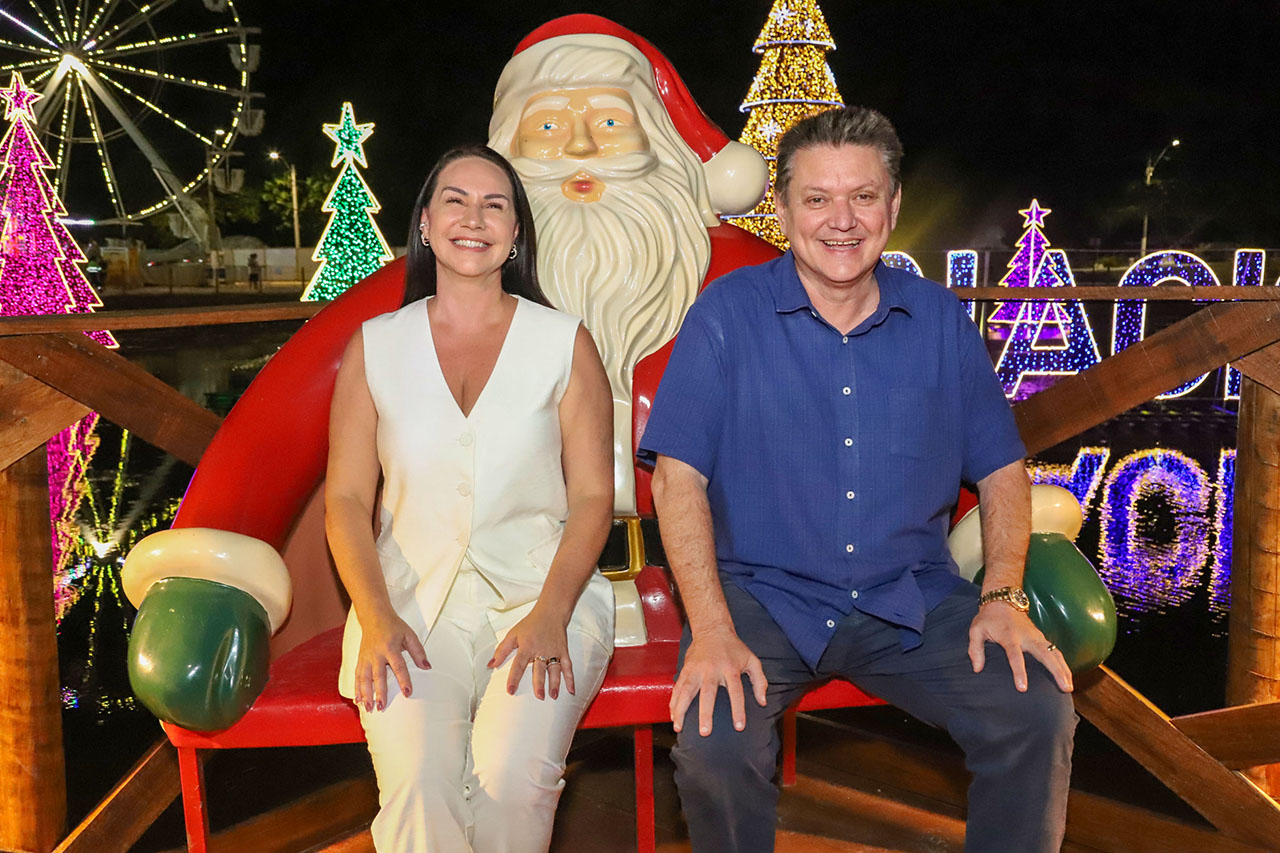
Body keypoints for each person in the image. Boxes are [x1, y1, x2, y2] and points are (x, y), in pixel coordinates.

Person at [637, 107, 1078, 852]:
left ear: (892, 206)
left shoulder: (940, 320)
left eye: (863, 196)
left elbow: (1003, 468)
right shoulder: (726, 314)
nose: (841, 220)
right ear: (783, 211)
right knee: (715, 747)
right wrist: (709, 628)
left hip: (910, 598)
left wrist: (1002, 595)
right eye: (817, 199)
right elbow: (675, 479)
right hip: (763, 600)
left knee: (1034, 707)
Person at [325, 144, 616, 852]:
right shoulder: (375, 346)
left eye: (495, 205)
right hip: (406, 603)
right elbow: (347, 498)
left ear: (515, 233)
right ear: (425, 223)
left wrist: (552, 613)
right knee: (418, 786)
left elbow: (592, 497)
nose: (474, 218)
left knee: (513, 781)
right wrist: (375, 614)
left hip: (543, 596)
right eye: (455, 200)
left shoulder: (564, 343)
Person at [488, 14, 773, 514]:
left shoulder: (748, 273)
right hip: (520, 557)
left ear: (656, 141)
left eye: (610, 123)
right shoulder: (459, 276)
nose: (581, 147)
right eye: (548, 126)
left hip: (696, 552)